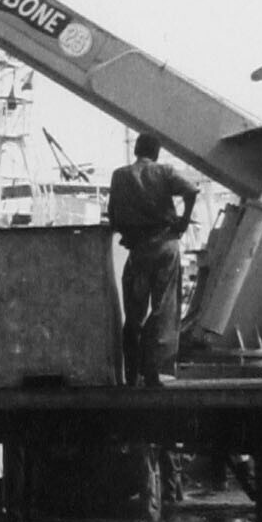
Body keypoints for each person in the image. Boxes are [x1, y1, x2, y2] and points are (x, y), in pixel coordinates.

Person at [107, 133, 199, 385]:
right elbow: (191, 191)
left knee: (133, 311)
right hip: (164, 245)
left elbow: (112, 215)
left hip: (138, 250)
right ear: (156, 153)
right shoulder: (164, 172)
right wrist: (183, 221)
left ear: (135, 150)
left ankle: (130, 373)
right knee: (163, 308)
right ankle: (151, 369)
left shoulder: (119, 175)